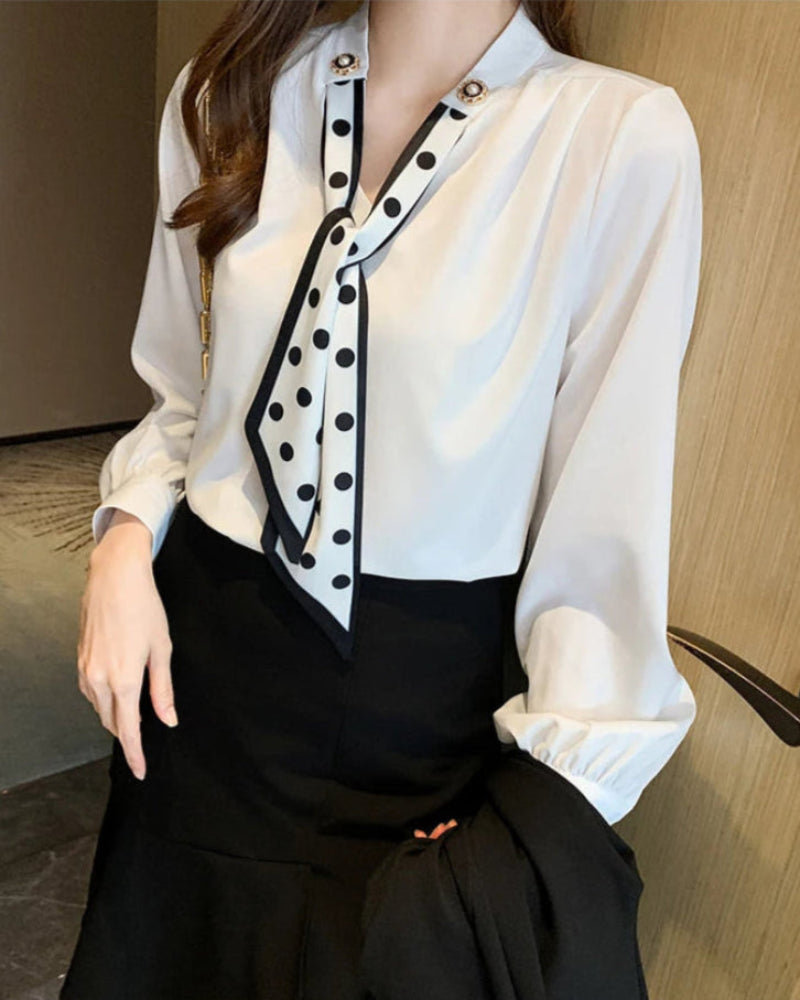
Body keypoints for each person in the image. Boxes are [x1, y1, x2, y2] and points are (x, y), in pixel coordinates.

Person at [61, 0, 703, 997]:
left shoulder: (617, 137)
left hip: (422, 729)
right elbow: (184, 395)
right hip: (200, 686)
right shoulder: (227, 92)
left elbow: (600, 515)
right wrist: (123, 537)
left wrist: (548, 796)